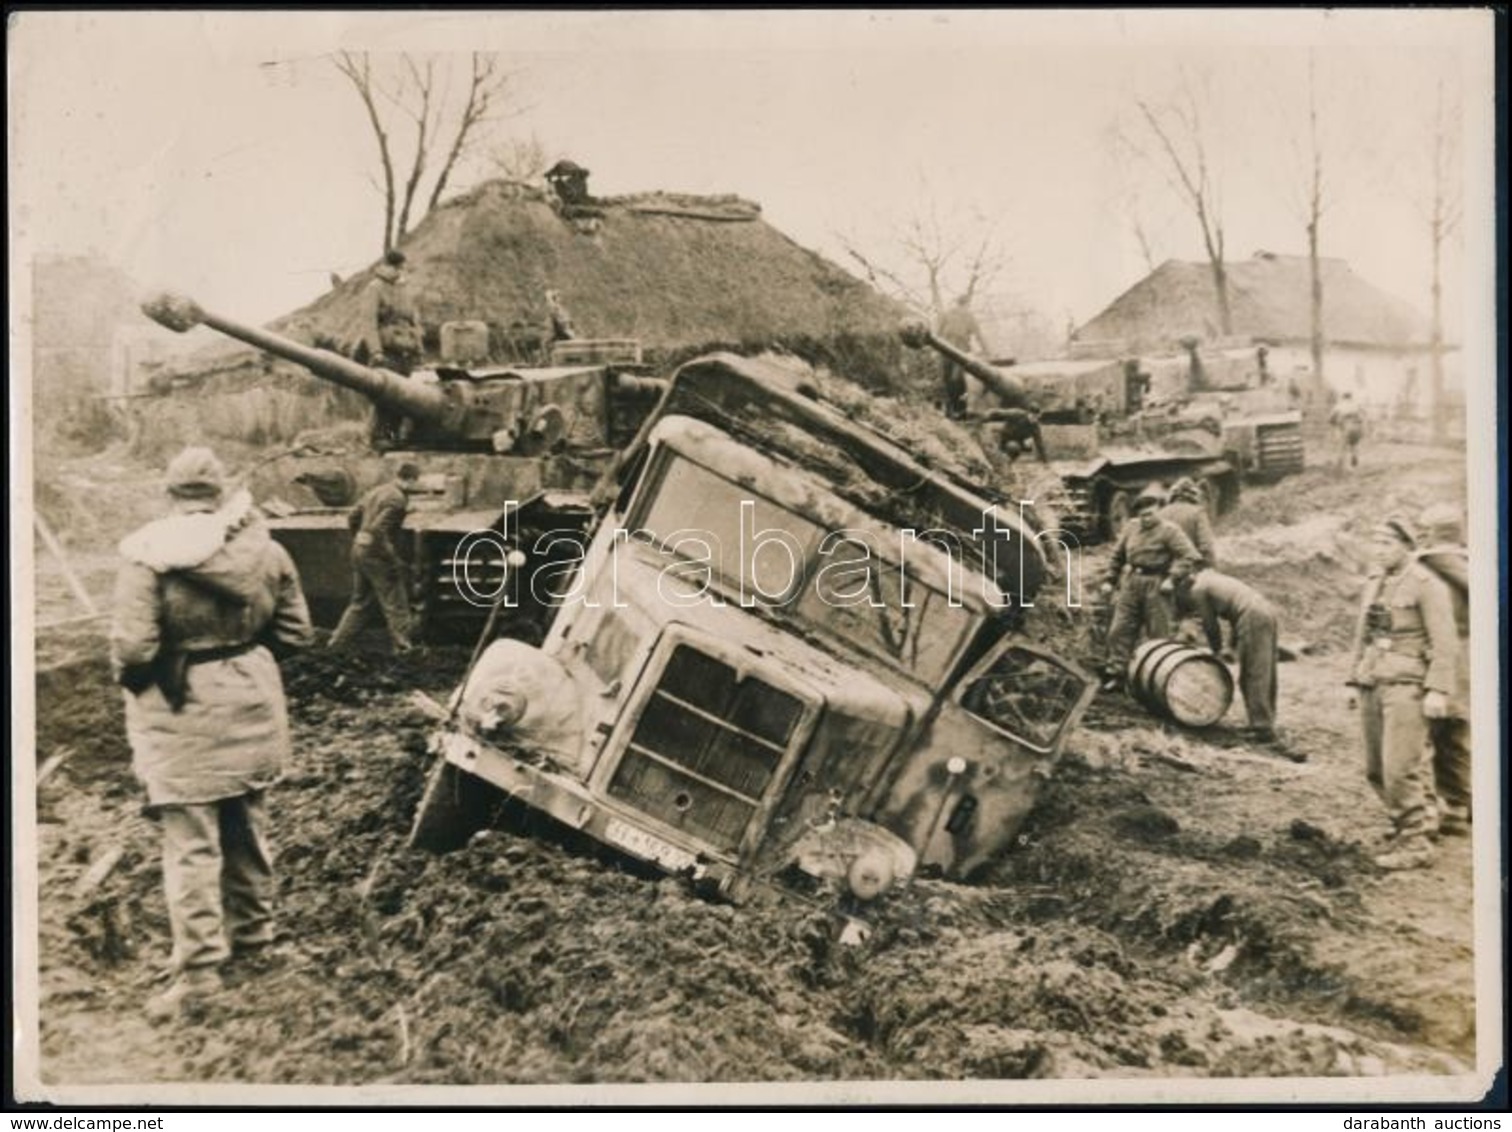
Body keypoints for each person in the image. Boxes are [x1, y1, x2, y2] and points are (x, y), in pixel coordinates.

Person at [111, 448, 313, 1019]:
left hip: (180, 712)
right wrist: (240, 662)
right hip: (252, 700)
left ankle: (200, 972)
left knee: (192, 843)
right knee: (248, 827)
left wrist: (147, 682)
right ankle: (255, 941)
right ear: (220, 494)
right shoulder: (266, 550)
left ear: (170, 493)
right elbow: (296, 635)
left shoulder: (147, 555)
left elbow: (132, 648)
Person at [1347, 516, 1458, 870]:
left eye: (1387, 544)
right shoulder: (1375, 582)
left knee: (1401, 767)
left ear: (1406, 546)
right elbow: (1361, 635)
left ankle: (1416, 842)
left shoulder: (1427, 585)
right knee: (1376, 769)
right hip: (1372, 681)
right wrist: (1353, 680)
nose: (1378, 551)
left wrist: (1437, 689)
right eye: (1375, 543)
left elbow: (1445, 643)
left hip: (1407, 686)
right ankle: (1409, 825)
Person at [1100, 485, 1201, 692]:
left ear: (1158, 510)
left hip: (1157, 584)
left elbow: (1189, 556)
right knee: (1119, 630)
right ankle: (1117, 675)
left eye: (1150, 513)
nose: (1146, 518)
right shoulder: (1131, 528)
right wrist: (1109, 579)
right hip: (1131, 583)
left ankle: (1160, 680)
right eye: (1142, 514)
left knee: (1159, 633)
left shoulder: (1169, 530)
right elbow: (1117, 556)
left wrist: (1172, 578)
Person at [1415, 504, 1471, 835]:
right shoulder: (1473, 567)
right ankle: (1458, 807)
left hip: (1436, 658)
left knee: (1422, 736)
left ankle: (1428, 812)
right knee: (1458, 733)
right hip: (1467, 659)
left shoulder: (1426, 569)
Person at [1174, 569, 1279, 741]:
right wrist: (1230, 646)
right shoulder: (1209, 577)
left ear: (1183, 586)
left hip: (1253, 615)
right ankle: (1267, 720)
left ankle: (1262, 728)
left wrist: (1216, 651)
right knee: (1266, 670)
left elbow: (1210, 625)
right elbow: (1236, 615)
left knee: (1252, 674)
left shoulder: (1197, 590)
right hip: (1265, 611)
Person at [329, 463, 420, 655]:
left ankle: (336, 644)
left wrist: (360, 538)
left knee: (360, 602)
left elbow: (353, 516)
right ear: (410, 480)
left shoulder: (377, 491)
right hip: (377, 555)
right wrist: (392, 558)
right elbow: (379, 530)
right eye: (414, 482)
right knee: (396, 602)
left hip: (359, 550)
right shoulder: (397, 499)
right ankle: (404, 649)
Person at [935, 294, 989, 419]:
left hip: (954, 352)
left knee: (954, 380)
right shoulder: (950, 315)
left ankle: (958, 410)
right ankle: (954, 410)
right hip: (950, 351)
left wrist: (987, 350)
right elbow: (979, 336)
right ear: (965, 304)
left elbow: (978, 335)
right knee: (952, 380)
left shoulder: (965, 317)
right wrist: (988, 351)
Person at [1159, 478, 1218, 568]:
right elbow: (1206, 545)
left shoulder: (1161, 513)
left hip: (1164, 567)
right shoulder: (1198, 512)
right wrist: (1211, 567)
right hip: (1189, 568)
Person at [1330, 391, 1365, 471]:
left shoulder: (1339, 405)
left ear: (1343, 397)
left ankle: (1341, 465)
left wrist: (1333, 422)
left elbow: (1332, 416)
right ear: (1350, 397)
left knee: (1342, 445)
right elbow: (1363, 413)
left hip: (1346, 425)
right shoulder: (1356, 404)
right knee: (1354, 444)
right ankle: (1354, 456)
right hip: (1356, 425)